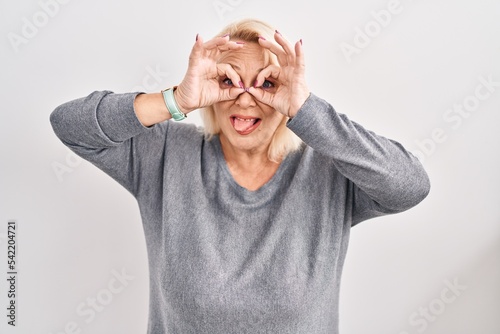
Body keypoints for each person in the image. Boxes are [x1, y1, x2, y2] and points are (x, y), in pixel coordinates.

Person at [50, 18, 430, 334]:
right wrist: (176, 100)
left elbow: (411, 185)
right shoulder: (165, 152)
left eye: (267, 84)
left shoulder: (327, 169)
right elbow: (68, 125)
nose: (246, 99)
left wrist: (307, 110)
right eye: (229, 81)